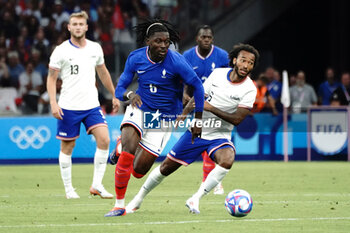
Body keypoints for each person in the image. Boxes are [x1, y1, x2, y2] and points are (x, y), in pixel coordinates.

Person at [124, 43, 259, 215]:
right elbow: (199, 94)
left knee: (227, 159)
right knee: (165, 168)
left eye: (250, 63)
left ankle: (195, 199)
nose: (246, 65)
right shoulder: (218, 74)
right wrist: (185, 114)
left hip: (220, 135)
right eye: (243, 60)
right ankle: (137, 200)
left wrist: (211, 108)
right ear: (234, 60)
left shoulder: (250, 89)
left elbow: (238, 119)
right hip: (198, 131)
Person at [104, 19, 204, 217]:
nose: (164, 46)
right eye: (159, 41)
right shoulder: (135, 58)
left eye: (167, 42)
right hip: (140, 109)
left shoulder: (176, 61)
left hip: (165, 118)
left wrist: (198, 120)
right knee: (128, 153)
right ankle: (119, 205)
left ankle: (120, 145)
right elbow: (119, 89)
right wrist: (130, 95)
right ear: (148, 41)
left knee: (138, 172)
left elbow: (198, 87)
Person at [47, 11, 119, 199]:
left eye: (81, 24)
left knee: (104, 140)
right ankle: (69, 190)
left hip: (91, 106)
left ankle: (97, 185)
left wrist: (114, 94)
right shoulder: (61, 50)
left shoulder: (95, 48)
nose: (78, 27)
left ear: (86, 27)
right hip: (68, 106)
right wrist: (53, 103)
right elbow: (51, 78)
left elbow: (103, 72)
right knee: (67, 147)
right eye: (74, 24)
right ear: (69, 27)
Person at [182, 25, 229, 195]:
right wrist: (184, 94)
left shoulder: (223, 56)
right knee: (204, 139)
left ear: (212, 39)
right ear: (197, 38)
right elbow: (183, 78)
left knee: (215, 142)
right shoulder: (187, 56)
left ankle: (212, 181)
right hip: (197, 106)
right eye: (203, 37)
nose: (206, 40)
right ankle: (211, 181)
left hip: (218, 105)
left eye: (209, 37)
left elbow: (228, 79)